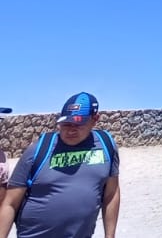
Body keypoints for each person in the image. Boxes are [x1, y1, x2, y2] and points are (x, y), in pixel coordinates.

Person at [0, 92, 120, 238]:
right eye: (65, 124)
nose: (70, 130)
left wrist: (110, 235)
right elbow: (10, 203)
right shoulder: (39, 149)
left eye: (78, 124)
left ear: (95, 119)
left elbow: (111, 194)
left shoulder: (106, 145)